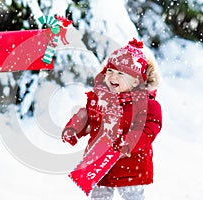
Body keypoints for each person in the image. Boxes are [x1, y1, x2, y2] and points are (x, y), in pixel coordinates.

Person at [61, 38, 162, 200]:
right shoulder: (100, 97)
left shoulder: (147, 105)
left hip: (130, 166)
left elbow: (148, 131)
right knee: (100, 196)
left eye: (121, 73)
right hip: (100, 162)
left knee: (133, 196)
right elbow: (87, 115)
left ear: (136, 80)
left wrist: (129, 142)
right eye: (110, 71)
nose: (113, 77)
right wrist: (74, 128)